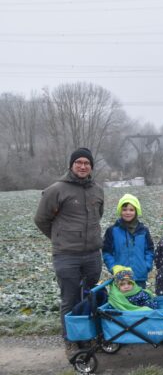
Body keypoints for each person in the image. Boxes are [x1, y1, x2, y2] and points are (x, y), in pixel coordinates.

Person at [34, 147, 104, 356]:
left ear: (91, 167)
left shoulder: (97, 190)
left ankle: (87, 334)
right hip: (67, 256)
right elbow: (41, 219)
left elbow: (98, 216)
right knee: (70, 298)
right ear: (72, 165)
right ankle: (70, 340)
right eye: (78, 162)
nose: (83, 166)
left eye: (87, 163)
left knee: (90, 295)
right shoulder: (57, 189)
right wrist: (60, 239)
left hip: (92, 254)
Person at [102, 193, 155, 288]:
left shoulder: (143, 231)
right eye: (124, 210)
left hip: (139, 277)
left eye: (131, 210)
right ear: (120, 211)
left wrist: (146, 266)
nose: (128, 212)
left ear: (136, 211)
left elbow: (149, 250)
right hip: (121, 279)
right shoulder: (112, 230)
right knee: (122, 303)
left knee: (139, 301)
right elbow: (107, 252)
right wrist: (114, 268)